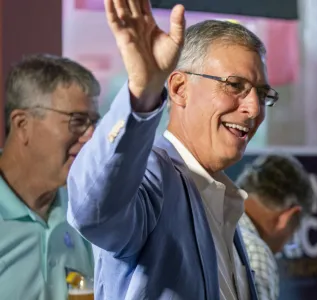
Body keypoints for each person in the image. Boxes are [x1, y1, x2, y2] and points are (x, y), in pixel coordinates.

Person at [67, 0, 278, 299]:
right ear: (179, 89)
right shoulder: (153, 176)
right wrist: (142, 92)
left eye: (261, 93)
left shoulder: (219, 198)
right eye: (234, 85)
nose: (254, 108)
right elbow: (94, 211)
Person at [0, 54, 100, 300]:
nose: (90, 136)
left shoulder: (84, 212)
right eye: (77, 121)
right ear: (22, 124)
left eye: (93, 123)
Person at [237, 154, 315, 300]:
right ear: (288, 217)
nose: (281, 250)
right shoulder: (255, 252)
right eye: (292, 235)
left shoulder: (206, 218)